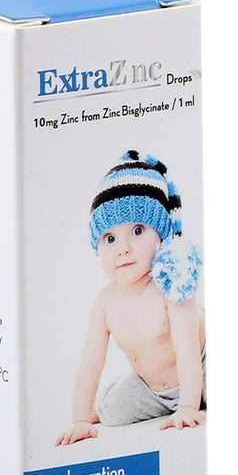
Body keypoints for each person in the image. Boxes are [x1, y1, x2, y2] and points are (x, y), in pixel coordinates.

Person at [55, 150, 206, 446]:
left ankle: (193, 399)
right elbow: (91, 363)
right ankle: (102, 409)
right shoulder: (104, 303)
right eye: (110, 238)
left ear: (161, 234)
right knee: (112, 412)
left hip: (200, 364)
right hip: (152, 389)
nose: (122, 248)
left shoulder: (172, 283)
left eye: (137, 231)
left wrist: (188, 406)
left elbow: (187, 348)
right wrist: (81, 419)